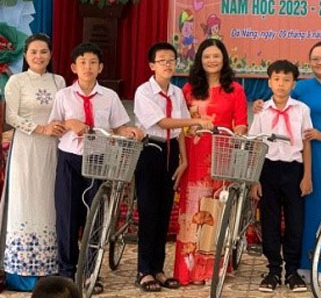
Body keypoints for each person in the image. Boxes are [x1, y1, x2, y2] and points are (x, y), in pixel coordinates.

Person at [252, 42, 321, 286]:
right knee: (300, 213)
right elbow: (280, 101)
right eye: (315, 58)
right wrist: (259, 104)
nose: (320, 62)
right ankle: (298, 267)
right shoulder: (300, 87)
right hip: (299, 156)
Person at [49, 42, 143, 294]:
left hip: (100, 159)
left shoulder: (110, 97)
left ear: (100, 68)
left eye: (93, 62)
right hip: (70, 158)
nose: (87, 67)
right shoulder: (63, 96)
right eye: (82, 62)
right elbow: (54, 126)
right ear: (73, 67)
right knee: (66, 218)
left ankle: (92, 272)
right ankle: (67, 273)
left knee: (96, 217)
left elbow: (118, 126)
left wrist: (129, 131)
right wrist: (69, 122)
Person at [132, 42, 213, 292]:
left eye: (171, 60)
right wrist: (197, 119)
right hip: (150, 151)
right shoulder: (144, 92)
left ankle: (158, 269)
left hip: (172, 153)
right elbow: (163, 122)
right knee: (148, 212)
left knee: (164, 213)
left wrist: (185, 158)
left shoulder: (177, 92)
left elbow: (179, 130)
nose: (167, 64)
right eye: (162, 60)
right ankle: (144, 270)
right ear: (152, 65)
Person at [173, 38, 248, 285]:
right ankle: (187, 269)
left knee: (216, 212)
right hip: (194, 159)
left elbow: (241, 123)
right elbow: (181, 125)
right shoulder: (187, 90)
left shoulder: (235, 90)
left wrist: (239, 132)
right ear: (200, 60)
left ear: (224, 59)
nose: (212, 61)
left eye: (216, 56)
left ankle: (212, 269)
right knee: (192, 211)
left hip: (222, 157)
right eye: (207, 56)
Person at [1, 34, 65, 291]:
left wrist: (59, 127)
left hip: (53, 148)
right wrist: (40, 128)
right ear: (25, 55)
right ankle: (20, 272)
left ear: (51, 54)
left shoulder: (58, 81)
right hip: (26, 148)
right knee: (23, 203)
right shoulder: (16, 81)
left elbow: (63, 111)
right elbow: (11, 116)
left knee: (50, 202)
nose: (39, 56)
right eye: (34, 52)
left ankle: (49, 268)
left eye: (44, 52)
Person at [250, 60, 313, 293]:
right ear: (269, 82)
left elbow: (306, 144)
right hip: (268, 169)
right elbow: (255, 145)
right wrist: (255, 179)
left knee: (296, 222)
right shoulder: (261, 111)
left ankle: (293, 271)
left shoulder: (302, 110)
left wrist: (307, 176)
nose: (281, 84)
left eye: (286, 80)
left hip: (294, 170)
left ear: (294, 83)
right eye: (276, 79)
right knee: (270, 221)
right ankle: (274, 270)